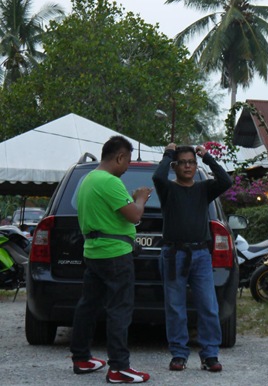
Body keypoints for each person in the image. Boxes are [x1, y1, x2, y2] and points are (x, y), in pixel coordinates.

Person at [70, 135, 152, 384]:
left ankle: (81, 358)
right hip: (115, 254)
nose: (127, 167)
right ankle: (119, 368)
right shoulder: (110, 181)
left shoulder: (87, 179)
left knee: (88, 305)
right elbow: (134, 216)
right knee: (119, 309)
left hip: (93, 252)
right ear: (119, 157)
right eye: (127, 161)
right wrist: (140, 198)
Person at [152, 143, 232, 373]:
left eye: (191, 162)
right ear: (175, 166)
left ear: (196, 166)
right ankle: (179, 354)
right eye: (182, 163)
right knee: (175, 307)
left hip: (201, 255)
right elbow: (158, 176)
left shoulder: (203, 189)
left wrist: (207, 157)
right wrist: (168, 153)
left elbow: (226, 181)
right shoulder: (168, 189)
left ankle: (210, 355)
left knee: (208, 305)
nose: (187, 166)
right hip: (173, 255)